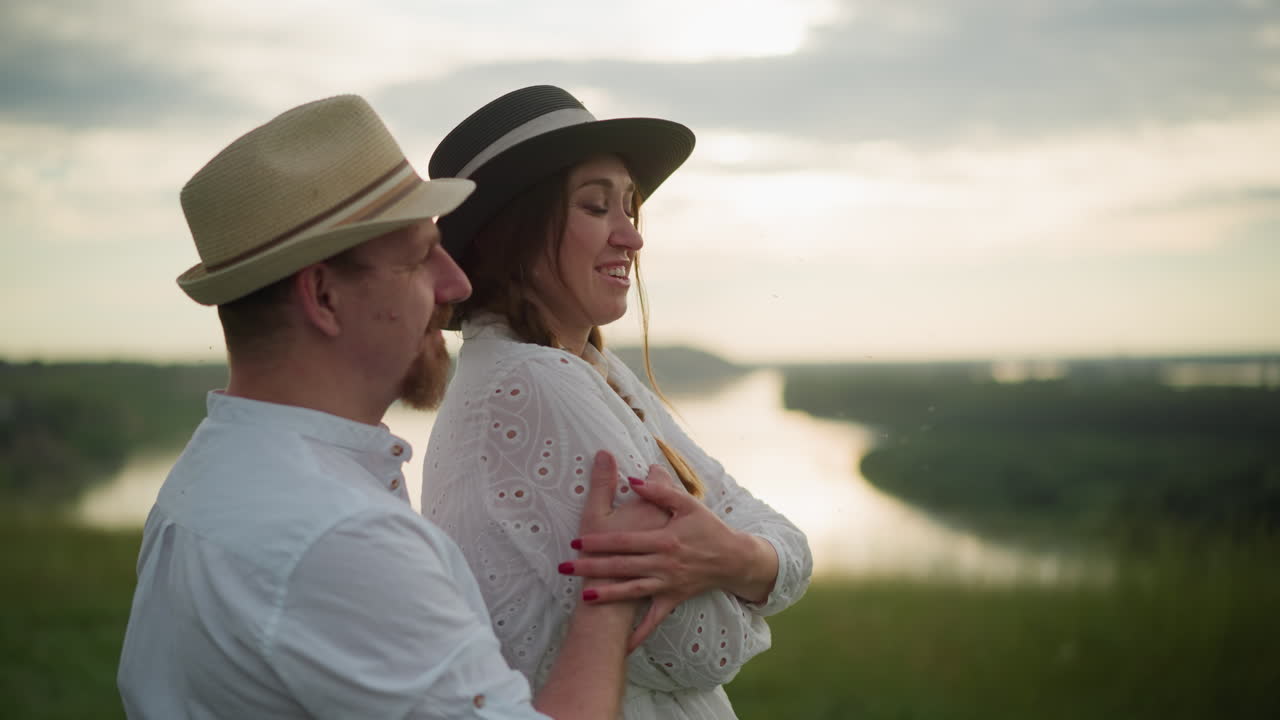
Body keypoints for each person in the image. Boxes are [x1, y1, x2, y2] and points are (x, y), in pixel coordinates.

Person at [117, 94, 672, 719]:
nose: (455, 285)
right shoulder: (342, 537)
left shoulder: (207, 476)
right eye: (417, 259)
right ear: (323, 296)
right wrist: (609, 589)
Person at [421, 85, 813, 719]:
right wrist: (753, 587)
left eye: (630, 207)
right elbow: (702, 649)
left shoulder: (595, 370)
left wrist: (736, 557)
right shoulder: (534, 385)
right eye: (596, 206)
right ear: (513, 227)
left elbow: (768, 525)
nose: (631, 237)